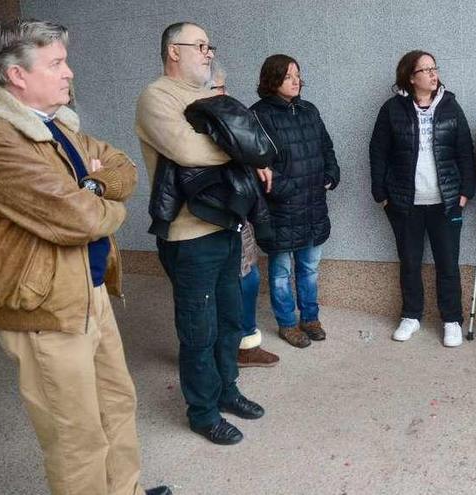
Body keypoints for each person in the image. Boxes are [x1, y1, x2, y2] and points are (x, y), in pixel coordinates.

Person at [0, 19, 169, 495]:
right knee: (76, 437)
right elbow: (79, 219)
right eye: (56, 63)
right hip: (44, 309)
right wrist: (100, 201)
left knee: (116, 405)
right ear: (16, 75)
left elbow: (124, 168)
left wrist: (92, 185)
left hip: (89, 289)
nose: (69, 72)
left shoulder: (57, 127)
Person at [135, 22, 266, 446]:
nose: (209, 53)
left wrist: (237, 148)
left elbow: (247, 142)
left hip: (225, 223)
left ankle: (227, 391)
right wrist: (238, 149)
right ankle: (203, 412)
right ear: (174, 51)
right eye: (201, 46)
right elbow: (189, 151)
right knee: (199, 329)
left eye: (211, 46)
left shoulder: (205, 95)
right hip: (189, 236)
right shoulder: (157, 97)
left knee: (230, 321)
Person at [369, 50, 476, 347]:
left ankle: (452, 320)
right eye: (425, 70)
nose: (433, 74)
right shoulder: (392, 110)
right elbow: (378, 152)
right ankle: (411, 316)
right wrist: (381, 194)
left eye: (434, 68)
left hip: (446, 202)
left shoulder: (451, 107)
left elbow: (465, 151)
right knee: (410, 261)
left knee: (447, 263)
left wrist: (466, 193)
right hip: (405, 203)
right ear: (410, 77)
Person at [250, 54, 340, 348]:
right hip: (282, 209)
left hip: (313, 204)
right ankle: (288, 323)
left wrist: (331, 174)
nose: (296, 81)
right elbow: (258, 165)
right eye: (289, 76)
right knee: (280, 271)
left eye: (298, 75)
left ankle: (310, 318)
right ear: (273, 80)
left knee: (309, 267)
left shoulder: (308, 110)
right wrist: (287, 189)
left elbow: (326, 146)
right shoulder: (258, 116)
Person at [208, 61, 279, 367]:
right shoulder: (192, 122)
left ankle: (245, 342)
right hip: (212, 216)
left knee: (249, 278)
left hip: (241, 212)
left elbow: (255, 150)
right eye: (216, 88)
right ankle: (224, 347)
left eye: (224, 87)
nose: (223, 94)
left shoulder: (230, 119)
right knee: (222, 287)